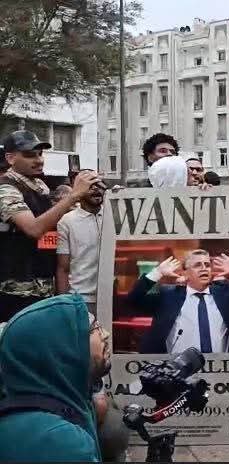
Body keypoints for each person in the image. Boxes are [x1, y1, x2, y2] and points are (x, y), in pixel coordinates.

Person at [0, 130, 99, 321]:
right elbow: (34, 229)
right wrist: (73, 195)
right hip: (15, 294)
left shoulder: (39, 186)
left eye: (40, 154)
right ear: (10, 158)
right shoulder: (6, 188)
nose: (39, 160)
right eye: (30, 155)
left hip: (43, 289)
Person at [0, 294, 111, 461]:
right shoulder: (61, 441)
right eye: (94, 328)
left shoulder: (54, 408)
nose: (106, 334)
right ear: (61, 349)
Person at [126, 251, 229, 354]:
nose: (204, 268)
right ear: (185, 273)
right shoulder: (168, 296)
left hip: (223, 371)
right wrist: (157, 272)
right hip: (177, 372)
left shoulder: (227, 293)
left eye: (207, 265)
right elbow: (133, 301)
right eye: (197, 265)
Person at [56, 170, 105, 314]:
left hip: (112, 295)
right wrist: (64, 304)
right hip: (80, 298)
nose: (96, 189)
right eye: (90, 185)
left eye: (99, 185)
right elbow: (63, 268)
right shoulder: (67, 221)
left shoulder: (116, 214)